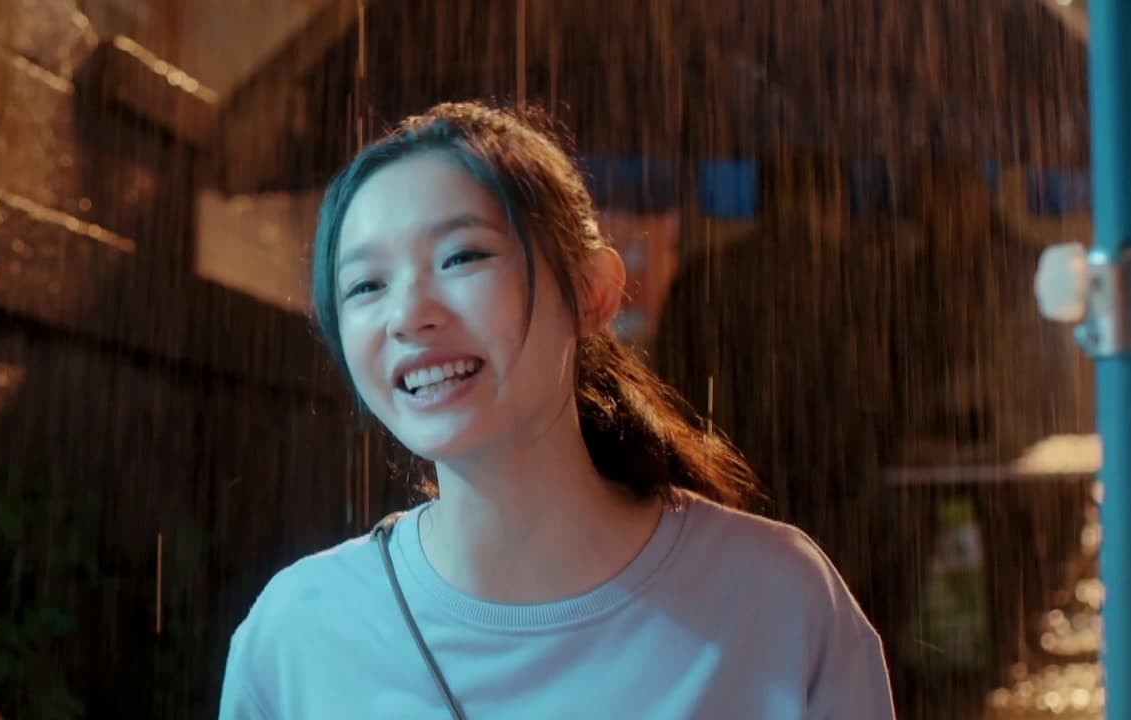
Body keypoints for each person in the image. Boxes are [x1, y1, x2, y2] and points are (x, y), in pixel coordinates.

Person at [218, 101, 894, 719]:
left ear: (593, 291)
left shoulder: (774, 598)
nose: (409, 315)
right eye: (366, 284)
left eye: (461, 256)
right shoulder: (300, 635)